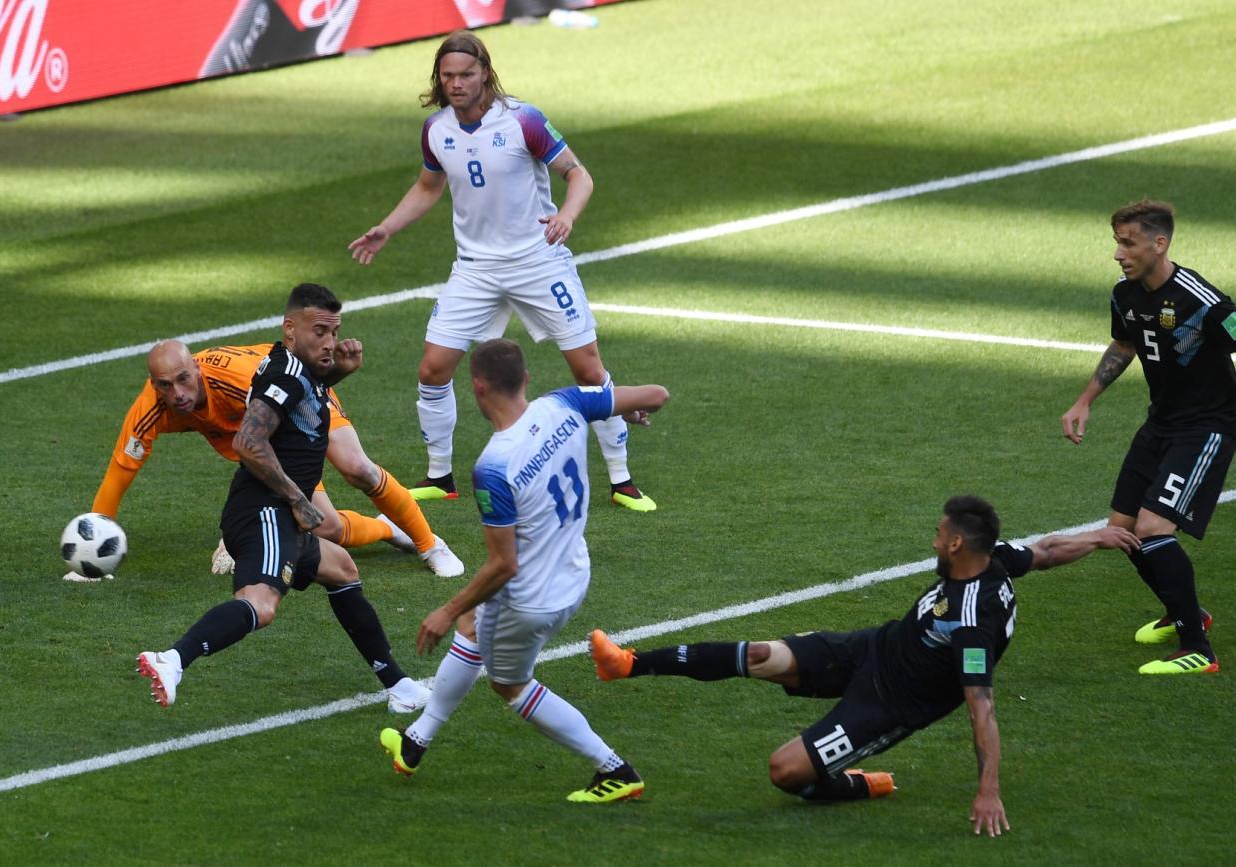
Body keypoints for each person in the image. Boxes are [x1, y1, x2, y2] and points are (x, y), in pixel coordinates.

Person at [590, 500, 1140, 834]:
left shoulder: (974, 621)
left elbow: (981, 705)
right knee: (761, 656)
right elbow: (1044, 552)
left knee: (784, 771)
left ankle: (856, 783)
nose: (931, 540)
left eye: (936, 533)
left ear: (954, 543)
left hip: (889, 704)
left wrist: (988, 788)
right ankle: (629, 664)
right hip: (872, 648)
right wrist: (1098, 536)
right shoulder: (994, 556)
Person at [347, 30, 657, 512]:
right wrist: (387, 228)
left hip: (537, 261)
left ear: (485, 72)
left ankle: (622, 480)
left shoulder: (523, 121)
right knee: (432, 368)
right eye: (447, 76)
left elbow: (579, 175)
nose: (456, 83)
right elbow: (429, 188)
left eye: (466, 74)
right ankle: (439, 476)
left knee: (589, 369)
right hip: (475, 269)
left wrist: (567, 215)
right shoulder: (437, 130)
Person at [377, 338, 669, 802]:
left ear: (476, 387)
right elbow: (656, 395)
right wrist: (613, 408)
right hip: (573, 571)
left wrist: (445, 610)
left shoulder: (493, 466)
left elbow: (503, 564)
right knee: (473, 627)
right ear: (526, 379)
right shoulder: (567, 403)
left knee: (510, 685)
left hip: (531, 597)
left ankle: (615, 769)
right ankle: (415, 741)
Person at [136, 284, 431, 714]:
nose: (329, 341)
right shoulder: (285, 373)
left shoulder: (293, 367)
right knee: (261, 604)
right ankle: (172, 660)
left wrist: (339, 371)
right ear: (290, 329)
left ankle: (400, 688)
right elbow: (249, 441)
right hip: (266, 510)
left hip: (271, 511)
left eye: (334, 331)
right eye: (319, 332)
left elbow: (299, 401)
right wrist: (298, 499)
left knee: (342, 569)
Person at [76, 336, 463, 581]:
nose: (177, 393)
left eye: (183, 378)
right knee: (326, 527)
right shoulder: (151, 410)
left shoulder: (236, 379)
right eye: (164, 385)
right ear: (153, 384)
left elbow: (284, 422)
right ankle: (388, 529)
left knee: (356, 467)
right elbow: (119, 474)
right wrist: (93, 548)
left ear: (196, 366)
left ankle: (431, 545)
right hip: (257, 433)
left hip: (296, 395)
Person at [1062, 200, 1235, 675]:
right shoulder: (1126, 293)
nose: (1118, 253)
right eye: (1117, 242)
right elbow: (1124, 345)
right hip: (1160, 422)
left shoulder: (1202, 300)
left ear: (1160, 244)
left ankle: (1199, 650)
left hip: (1206, 428)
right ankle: (1187, 612)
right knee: (1122, 527)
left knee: (1154, 529)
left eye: (1127, 242)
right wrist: (1085, 400)